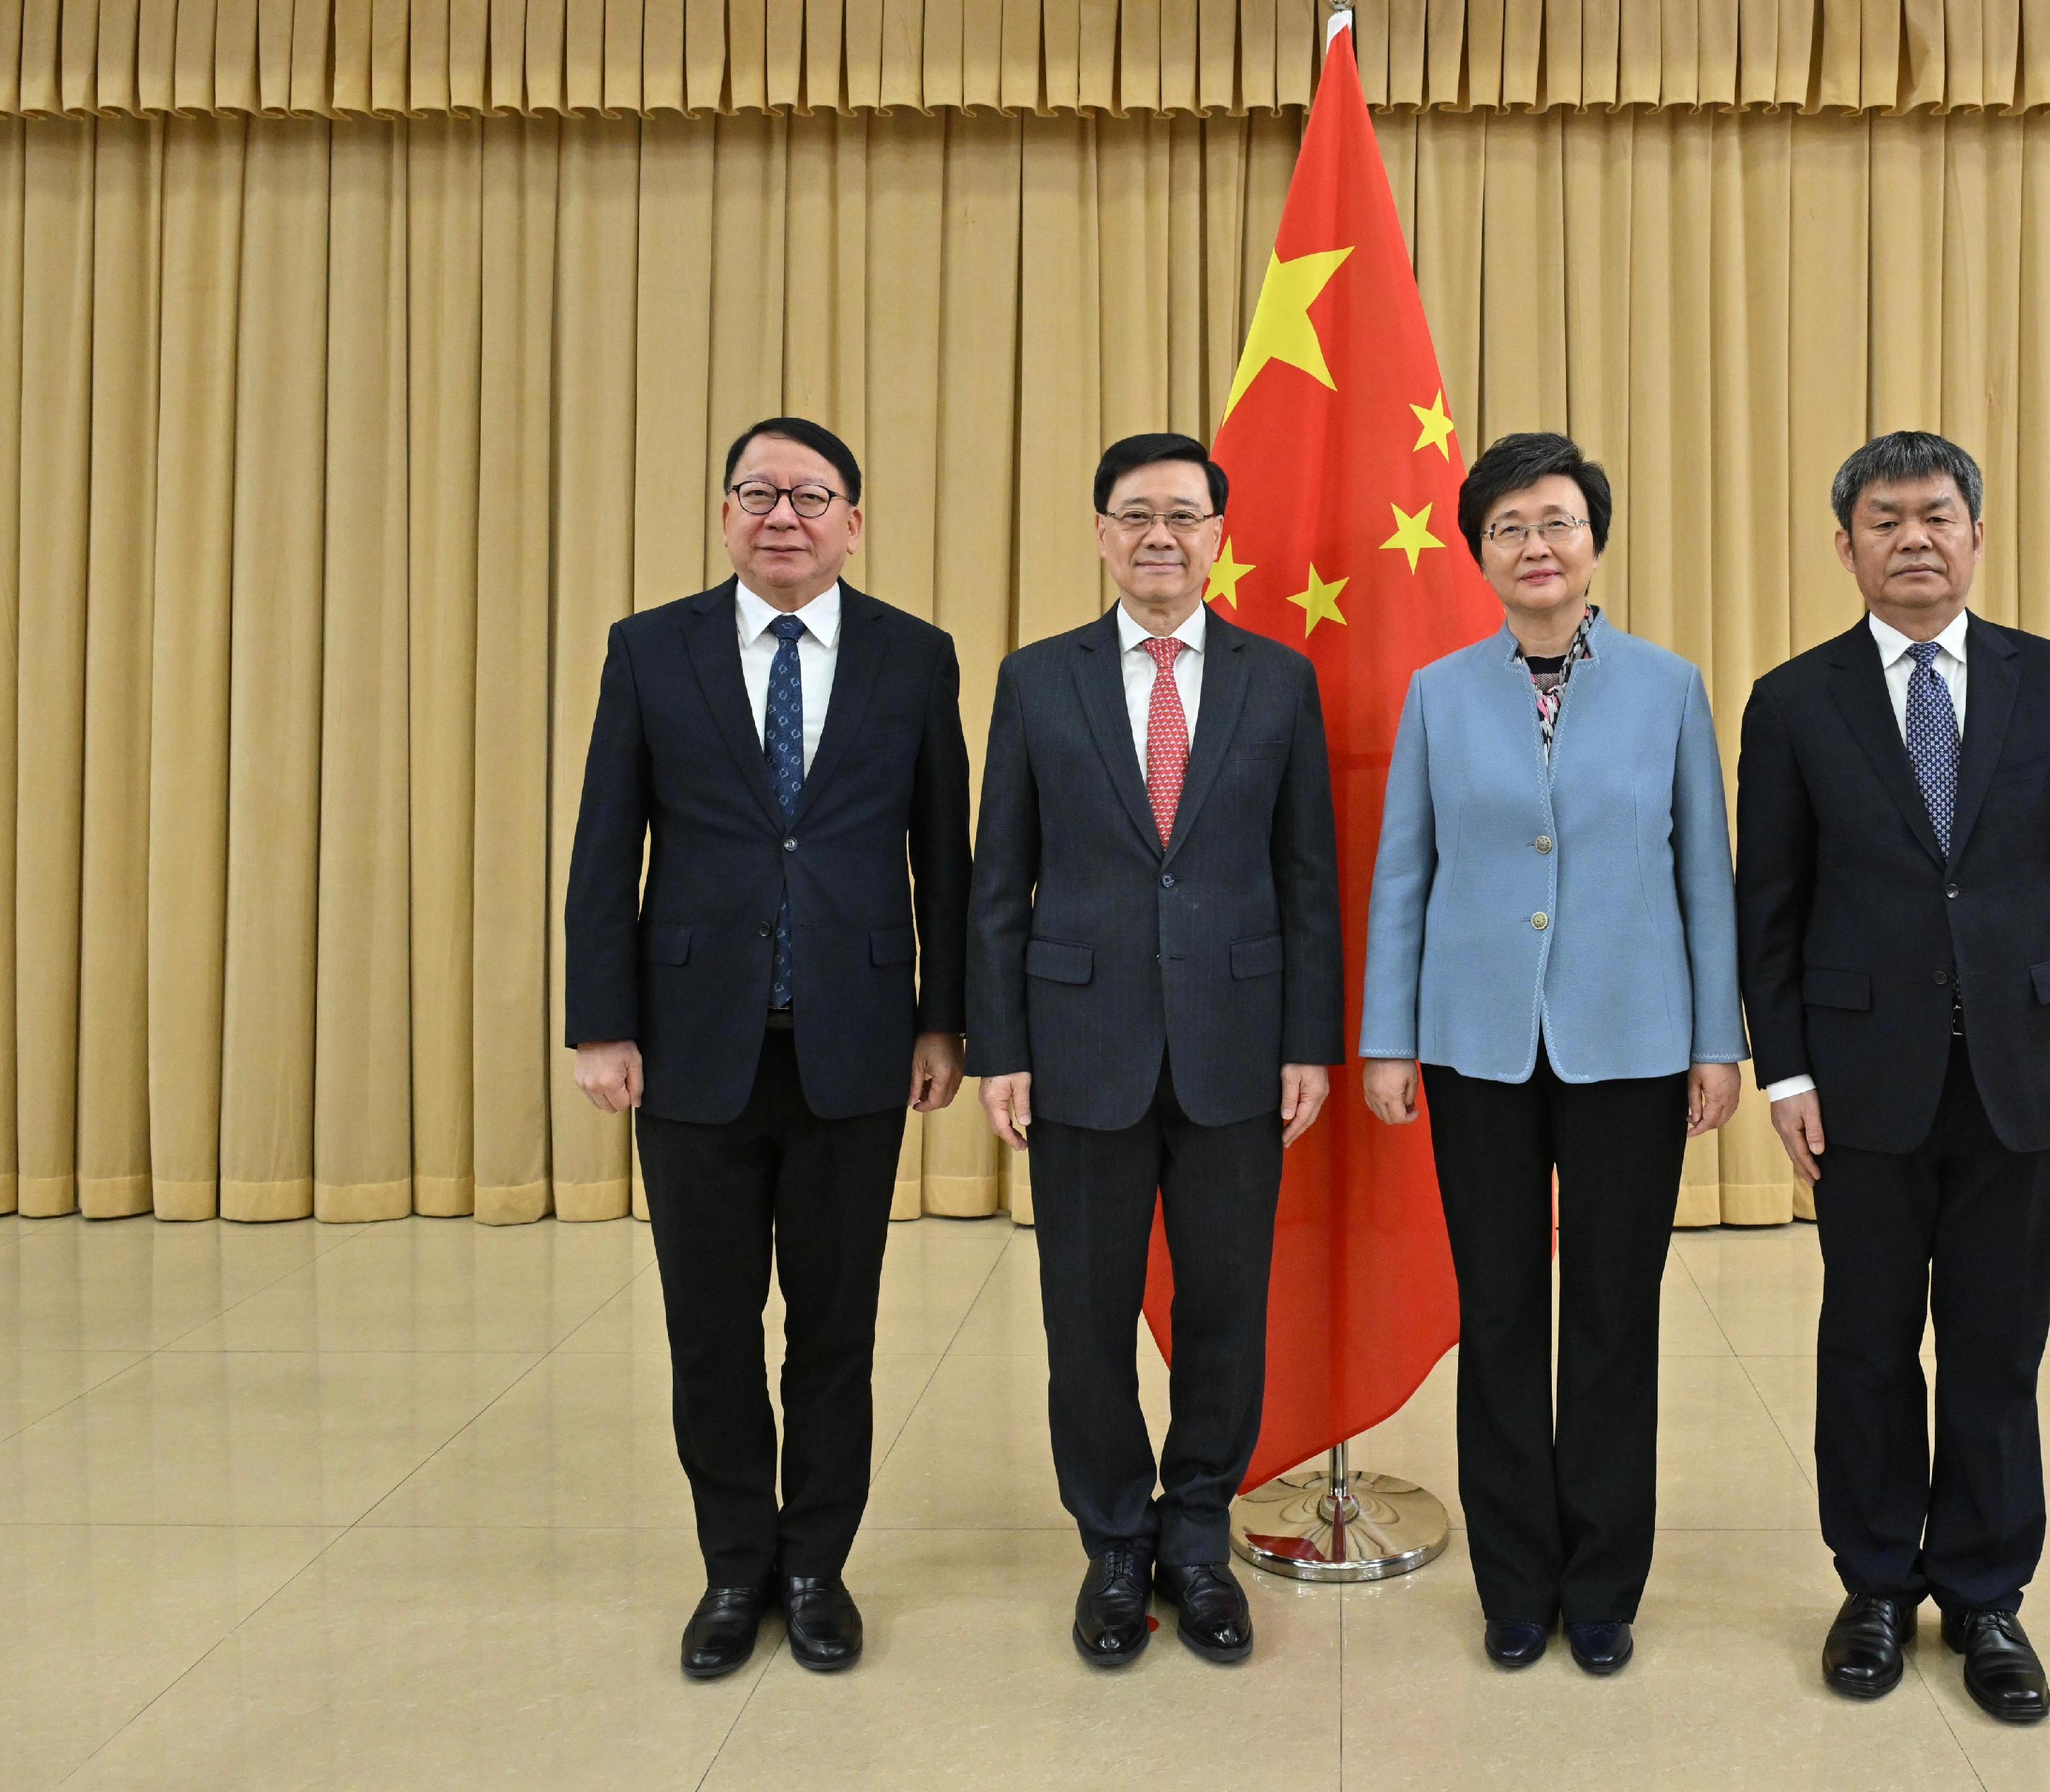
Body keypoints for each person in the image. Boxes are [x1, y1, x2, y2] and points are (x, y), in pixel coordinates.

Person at [1735, 430, 2050, 1723]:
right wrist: (1784, 1072)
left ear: (1977, 535)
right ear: (1845, 545)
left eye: (1936, 516)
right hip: (1857, 1081)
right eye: (1884, 520)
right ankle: (1870, 1585)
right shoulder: (1796, 701)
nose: (1913, 538)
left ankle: (1983, 1595)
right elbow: (1771, 906)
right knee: (1863, 1343)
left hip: (2028, 1068)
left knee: (1996, 1344)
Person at [564, 416, 972, 1679]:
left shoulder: (915, 656)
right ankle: (737, 1567)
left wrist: (945, 1017)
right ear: (724, 512)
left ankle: (818, 1567)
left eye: (811, 495)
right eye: (758, 492)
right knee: (710, 1328)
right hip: (690, 1052)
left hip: (853, 1046)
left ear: (854, 519)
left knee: (837, 1330)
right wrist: (601, 1022)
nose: (782, 515)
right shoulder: (652, 650)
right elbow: (603, 848)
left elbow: (943, 858)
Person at [1362, 432, 1745, 1677]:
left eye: (1557, 522)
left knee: (1613, 1319)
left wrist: (1714, 1039)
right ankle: (1515, 1580)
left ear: (1595, 543)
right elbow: (1404, 871)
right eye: (1510, 526)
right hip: (1476, 1043)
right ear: (1480, 553)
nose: (1536, 544)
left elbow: (1703, 878)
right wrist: (1387, 1036)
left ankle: (1604, 1584)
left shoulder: (1668, 686)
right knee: (1505, 1311)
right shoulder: (1440, 691)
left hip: (1630, 1042)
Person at [966, 431, 1345, 1669]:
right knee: (1085, 1310)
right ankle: (1116, 1545)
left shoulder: (1277, 679)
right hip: (1078, 1045)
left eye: (1184, 514)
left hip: (1240, 1045)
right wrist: (999, 1047)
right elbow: (996, 880)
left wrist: (1310, 1041)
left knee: (1228, 1306)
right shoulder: (1036, 679)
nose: (1160, 536)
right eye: (1135, 514)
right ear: (1099, 534)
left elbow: (1307, 876)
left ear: (1219, 538)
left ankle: (1197, 1534)